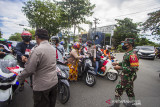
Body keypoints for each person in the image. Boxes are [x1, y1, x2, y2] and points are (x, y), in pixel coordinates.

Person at [18, 29, 58, 107]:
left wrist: (18, 80)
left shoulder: (37, 50)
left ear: (37, 37)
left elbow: (29, 69)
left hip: (42, 86)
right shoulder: (53, 49)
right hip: (54, 83)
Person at [111, 38, 139, 107]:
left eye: (125, 43)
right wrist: (117, 63)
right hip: (126, 75)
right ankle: (132, 104)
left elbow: (134, 69)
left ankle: (116, 105)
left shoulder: (132, 55)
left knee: (118, 89)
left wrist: (120, 68)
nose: (123, 45)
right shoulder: (128, 53)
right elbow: (125, 63)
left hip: (128, 76)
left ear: (129, 45)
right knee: (129, 90)